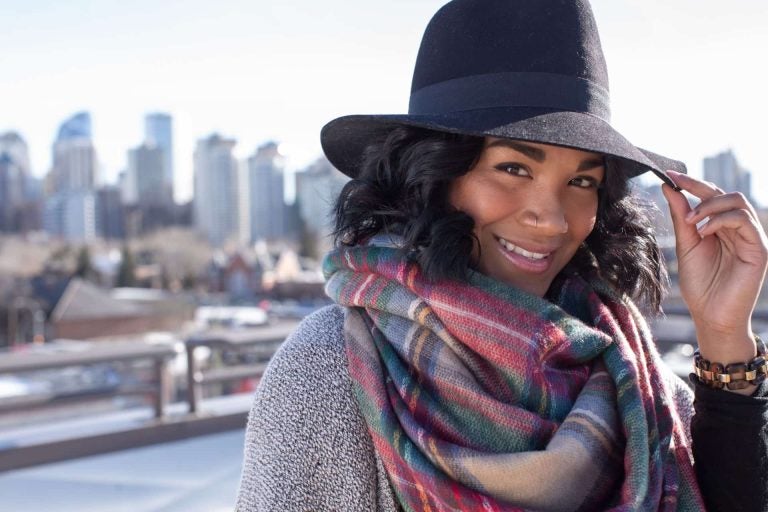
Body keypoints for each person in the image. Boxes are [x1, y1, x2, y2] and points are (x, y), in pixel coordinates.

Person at [236, 0, 768, 510]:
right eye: (514, 169)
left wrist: (724, 337)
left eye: (582, 180)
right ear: (435, 176)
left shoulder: (634, 379)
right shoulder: (329, 371)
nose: (553, 218)